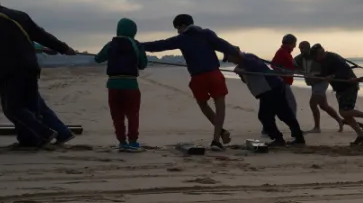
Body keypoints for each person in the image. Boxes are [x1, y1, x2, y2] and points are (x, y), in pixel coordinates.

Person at [0, 0, 77, 148]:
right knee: (33, 106)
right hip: (30, 66)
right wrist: (63, 48)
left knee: (12, 108)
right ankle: (34, 139)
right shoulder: (20, 15)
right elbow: (42, 35)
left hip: (7, 70)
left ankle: (43, 133)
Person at [141, 14, 238, 151]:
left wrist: (139, 45)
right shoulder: (207, 33)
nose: (177, 31)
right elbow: (224, 45)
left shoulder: (182, 39)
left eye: (177, 28)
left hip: (198, 77)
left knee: (203, 105)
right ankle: (216, 139)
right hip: (214, 74)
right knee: (220, 106)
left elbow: (160, 45)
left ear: (182, 26)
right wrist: (232, 53)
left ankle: (222, 132)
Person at [93, 18, 148, 151]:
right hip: (131, 85)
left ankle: (122, 142)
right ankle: (133, 142)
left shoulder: (111, 44)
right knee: (132, 115)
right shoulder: (136, 44)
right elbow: (143, 64)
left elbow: (98, 59)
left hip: (113, 85)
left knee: (117, 115)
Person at [229, 50, 304, 147]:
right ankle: (297, 137)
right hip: (269, 89)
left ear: (235, 55)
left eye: (230, 58)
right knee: (284, 114)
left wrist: (242, 70)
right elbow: (247, 79)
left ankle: (280, 139)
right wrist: (241, 73)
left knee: (267, 116)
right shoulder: (243, 62)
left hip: (271, 88)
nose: (231, 61)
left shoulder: (248, 59)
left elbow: (258, 68)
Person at [313, 46, 363, 145]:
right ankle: (361, 135)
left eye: (316, 56)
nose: (316, 59)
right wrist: (317, 77)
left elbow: (344, 70)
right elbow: (324, 74)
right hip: (340, 88)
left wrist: (333, 76)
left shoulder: (333, 58)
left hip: (349, 85)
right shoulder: (322, 61)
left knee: (345, 111)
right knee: (345, 113)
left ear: (321, 53)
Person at [296, 42, 344, 134]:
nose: (301, 50)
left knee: (312, 104)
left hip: (321, 82)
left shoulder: (315, 56)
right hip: (313, 84)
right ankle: (340, 121)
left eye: (303, 48)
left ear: (308, 48)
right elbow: (292, 65)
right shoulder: (299, 58)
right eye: (300, 48)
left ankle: (317, 128)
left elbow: (326, 67)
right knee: (324, 106)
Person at [271, 34, 300, 117]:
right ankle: (294, 126)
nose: (295, 45)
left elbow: (291, 66)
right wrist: (283, 71)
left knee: (278, 105)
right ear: (290, 43)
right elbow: (274, 66)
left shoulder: (287, 53)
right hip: (282, 83)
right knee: (291, 104)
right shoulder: (282, 52)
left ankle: (268, 126)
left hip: (285, 82)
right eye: (294, 43)